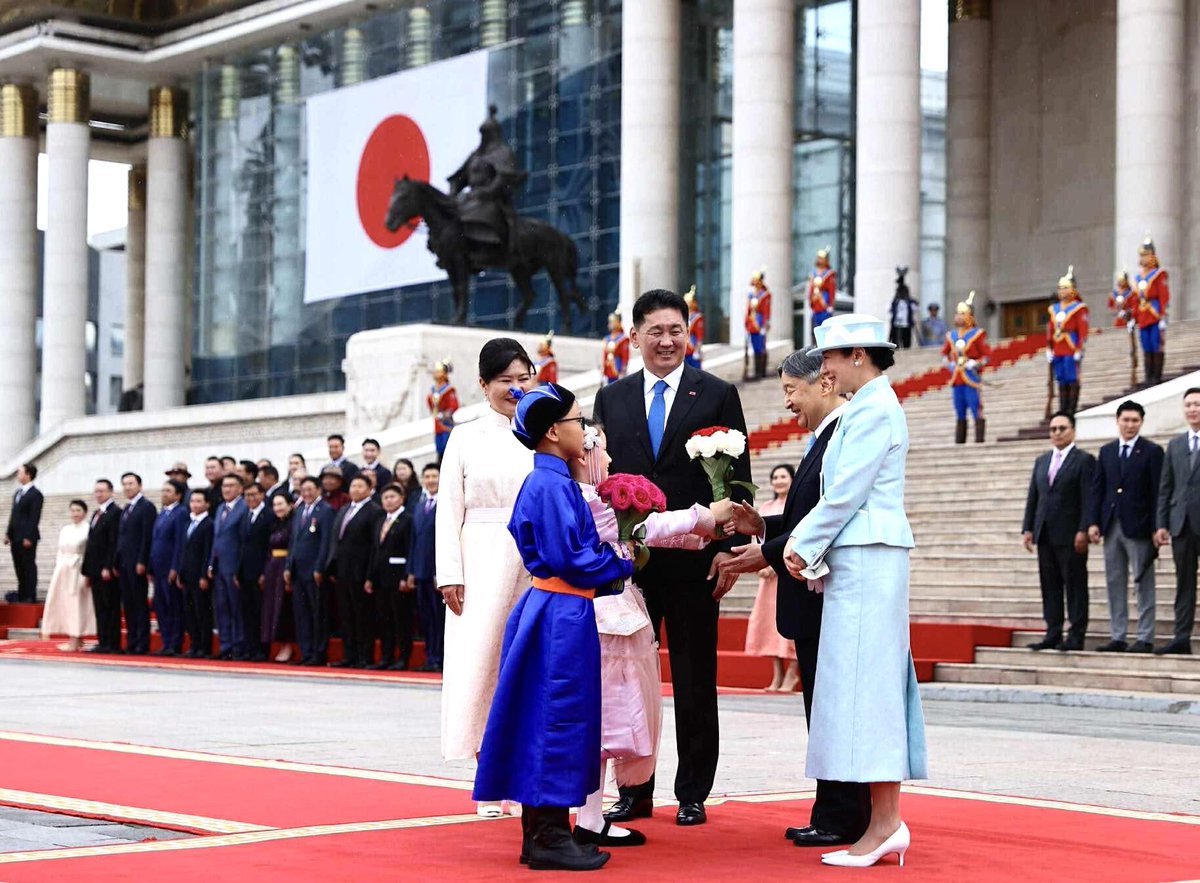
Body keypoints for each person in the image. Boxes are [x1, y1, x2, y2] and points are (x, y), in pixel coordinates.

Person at [592, 288, 751, 828]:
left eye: (675, 330)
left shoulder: (718, 393)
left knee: (694, 677)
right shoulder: (611, 399)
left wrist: (728, 552)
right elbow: (600, 481)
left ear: (690, 333)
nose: (666, 340)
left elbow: (738, 479)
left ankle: (693, 791)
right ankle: (635, 791)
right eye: (655, 331)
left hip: (694, 563)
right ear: (633, 336)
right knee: (627, 680)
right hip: (630, 566)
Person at [771, 314, 926, 867]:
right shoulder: (867, 407)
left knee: (871, 693)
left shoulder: (875, 409)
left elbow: (843, 495)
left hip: (868, 560)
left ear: (857, 355)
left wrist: (799, 546)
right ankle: (881, 822)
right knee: (861, 692)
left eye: (830, 358)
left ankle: (884, 824)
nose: (825, 369)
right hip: (857, 560)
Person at [473, 383, 635, 872]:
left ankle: (543, 834)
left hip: (555, 608)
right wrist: (623, 559)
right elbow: (573, 559)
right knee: (556, 717)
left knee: (546, 715)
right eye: (576, 421)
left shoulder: (549, 481)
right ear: (551, 431)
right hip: (560, 614)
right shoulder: (550, 485)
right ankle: (546, 836)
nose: (583, 431)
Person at [719, 349, 872, 849]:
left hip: (826, 592)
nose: (787, 402)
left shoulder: (841, 438)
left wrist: (763, 551)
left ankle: (842, 815)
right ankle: (835, 809)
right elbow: (807, 519)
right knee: (821, 708)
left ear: (823, 384)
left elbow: (832, 520)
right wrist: (763, 527)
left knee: (830, 709)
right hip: (810, 594)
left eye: (791, 390)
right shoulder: (821, 438)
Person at [572, 420, 730, 849]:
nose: (609, 458)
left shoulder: (588, 498)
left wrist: (699, 538)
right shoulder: (588, 500)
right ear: (585, 455)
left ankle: (590, 816)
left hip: (616, 615)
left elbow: (642, 535)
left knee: (608, 719)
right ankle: (587, 818)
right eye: (602, 451)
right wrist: (704, 517)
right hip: (605, 620)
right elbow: (648, 530)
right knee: (605, 720)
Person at [436, 337, 536, 817]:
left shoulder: (546, 428)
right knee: (481, 666)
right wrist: (449, 573)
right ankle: (487, 773)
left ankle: (521, 775)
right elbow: (448, 510)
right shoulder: (465, 434)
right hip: (479, 557)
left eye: (524, 379)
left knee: (526, 666)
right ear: (483, 385)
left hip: (536, 557)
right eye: (505, 382)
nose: (516, 390)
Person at [1087, 400, 1164, 653]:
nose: (1130, 425)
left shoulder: (1152, 451)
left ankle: (1145, 636)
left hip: (1139, 526)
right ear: (1117, 421)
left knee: (1143, 583)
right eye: (1125, 420)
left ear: (1141, 422)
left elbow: (1157, 492)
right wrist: (1093, 522)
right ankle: (1118, 635)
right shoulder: (1107, 451)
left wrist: (1156, 526)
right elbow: (1097, 489)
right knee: (1115, 581)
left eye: (1135, 421)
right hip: (1111, 525)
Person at [1022, 411, 1095, 652]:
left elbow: (1088, 497)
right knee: (1050, 585)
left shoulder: (1084, 460)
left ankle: (1076, 634)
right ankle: (1053, 632)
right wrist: (1028, 528)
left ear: (1072, 430)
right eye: (1053, 429)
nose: (1057, 433)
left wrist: (1084, 528)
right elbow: (1034, 496)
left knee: (1074, 585)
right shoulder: (1042, 460)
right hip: (1045, 533)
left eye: (1062, 428)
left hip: (1072, 534)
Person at [743, 464, 799, 691]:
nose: (779, 481)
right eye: (775, 477)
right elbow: (759, 541)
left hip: (788, 571)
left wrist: (774, 563)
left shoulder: (794, 505)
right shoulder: (766, 506)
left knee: (790, 624)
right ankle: (777, 675)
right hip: (766, 579)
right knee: (768, 624)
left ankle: (793, 674)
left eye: (783, 476)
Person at [1153, 387, 1200, 656]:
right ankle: (1181, 637)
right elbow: (1166, 487)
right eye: (1189, 405)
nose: (1193, 409)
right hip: (1180, 523)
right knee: (1184, 583)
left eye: (1197, 404)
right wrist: (1162, 524)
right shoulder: (1176, 445)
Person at [448, 104, 527, 264]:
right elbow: (459, 177)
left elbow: (504, 176)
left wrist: (488, 191)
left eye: (488, 133)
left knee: (482, 211)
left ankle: (486, 248)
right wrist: (452, 195)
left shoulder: (502, 152)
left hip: (493, 199)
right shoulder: (475, 156)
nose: (485, 137)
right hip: (472, 197)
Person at [327, 474, 383, 668]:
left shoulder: (374, 511)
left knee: (362, 617)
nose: (356, 489)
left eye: (360, 486)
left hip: (361, 572)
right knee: (346, 615)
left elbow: (374, 546)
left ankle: (364, 656)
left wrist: (370, 574)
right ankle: (349, 655)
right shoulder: (344, 509)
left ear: (369, 489)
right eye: (353, 486)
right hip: (343, 571)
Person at [285, 475, 336, 666]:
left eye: (309, 490)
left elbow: (325, 543)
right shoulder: (299, 511)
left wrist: (320, 567)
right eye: (303, 490)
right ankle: (306, 652)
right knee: (302, 614)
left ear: (318, 490)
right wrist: (289, 565)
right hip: (298, 570)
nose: (306, 493)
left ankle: (318, 653)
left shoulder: (326, 511)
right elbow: (293, 541)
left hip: (314, 570)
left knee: (317, 614)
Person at [366, 483, 414, 670]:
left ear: (401, 498)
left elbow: (411, 548)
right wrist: (370, 576)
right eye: (385, 497)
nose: (388, 501)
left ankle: (403, 658)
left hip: (398, 576)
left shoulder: (407, 519)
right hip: (381, 577)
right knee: (385, 619)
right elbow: (374, 550)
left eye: (392, 497)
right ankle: (386, 657)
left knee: (401, 620)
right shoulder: (380, 520)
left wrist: (406, 575)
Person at [39, 500, 93, 651]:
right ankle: (73, 637)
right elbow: (60, 551)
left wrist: (86, 572)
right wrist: (58, 568)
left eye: (78, 510)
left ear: (85, 512)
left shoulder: (88, 529)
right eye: (73, 510)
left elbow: (89, 552)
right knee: (66, 604)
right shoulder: (65, 529)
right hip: (63, 569)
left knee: (78, 604)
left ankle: (76, 639)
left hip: (79, 570)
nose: (75, 514)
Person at [942, 291, 993, 444]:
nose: (958, 317)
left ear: (970, 316)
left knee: (976, 409)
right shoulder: (951, 335)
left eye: (962, 313)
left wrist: (975, 363)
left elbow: (986, 356)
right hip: (957, 378)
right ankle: (960, 442)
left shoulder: (978, 334)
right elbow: (944, 354)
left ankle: (979, 440)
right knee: (959, 411)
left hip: (971, 378)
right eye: (957, 313)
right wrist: (949, 364)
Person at [208, 473, 249, 660]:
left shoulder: (244, 508)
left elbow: (243, 542)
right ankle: (226, 646)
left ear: (240, 488)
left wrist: (240, 568)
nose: (226, 489)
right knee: (222, 608)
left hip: (234, 567)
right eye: (224, 486)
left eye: (231, 486)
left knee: (237, 608)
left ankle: (239, 646)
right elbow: (216, 539)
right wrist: (211, 563)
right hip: (219, 566)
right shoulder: (220, 509)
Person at [115, 473, 156, 655]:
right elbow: (121, 538)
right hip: (123, 564)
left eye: (131, 484)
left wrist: (142, 561)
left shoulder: (146, 507)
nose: (128, 487)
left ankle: (142, 643)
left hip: (137, 563)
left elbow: (147, 537)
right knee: (129, 605)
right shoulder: (126, 508)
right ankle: (131, 641)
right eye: (125, 484)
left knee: (139, 604)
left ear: (139, 485)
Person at [149, 479, 189, 657]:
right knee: (161, 606)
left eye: (168, 491)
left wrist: (176, 567)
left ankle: (175, 643)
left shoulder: (180, 513)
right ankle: (166, 642)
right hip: (158, 568)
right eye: (163, 490)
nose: (164, 493)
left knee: (173, 606)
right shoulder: (162, 513)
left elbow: (180, 542)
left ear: (178, 495)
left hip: (170, 568)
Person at [82, 479, 121, 653]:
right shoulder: (97, 513)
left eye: (102, 491)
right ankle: (102, 640)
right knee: (99, 607)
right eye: (96, 491)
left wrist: (108, 565)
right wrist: (87, 570)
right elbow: (91, 544)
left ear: (111, 492)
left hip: (106, 570)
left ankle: (112, 643)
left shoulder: (115, 512)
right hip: (95, 569)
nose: (98, 494)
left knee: (110, 606)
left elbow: (113, 542)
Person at [410, 463, 442, 672]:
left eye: (434, 476)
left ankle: (439, 658)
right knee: (426, 619)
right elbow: (414, 540)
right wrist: (411, 571)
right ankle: (430, 657)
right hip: (420, 571)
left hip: (436, 573)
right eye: (427, 476)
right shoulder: (420, 505)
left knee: (439, 618)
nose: (430, 480)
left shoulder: (446, 504)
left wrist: (441, 571)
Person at [1047, 265, 1089, 416]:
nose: (1062, 291)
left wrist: (1079, 348)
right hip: (1058, 347)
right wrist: (1049, 348)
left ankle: (1071, 407)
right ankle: (1063, 407)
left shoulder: (1079, 308)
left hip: (1071, 345)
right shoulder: (1054, 309)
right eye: (1060, 288)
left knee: (1072, 378)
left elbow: (1082, 330)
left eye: (1066, 288)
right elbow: (1051, 329)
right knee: (1061, 379)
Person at [238, 482, 273, 662]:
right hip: (245, 571)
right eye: (247, 495)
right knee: (247, 612)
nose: (250, 499)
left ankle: (261, 649)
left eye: (253, 495)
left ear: (261, 495)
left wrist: (264, 572)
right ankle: (250, 647)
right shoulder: (245, 515)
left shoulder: (269, 515)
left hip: (261, 570)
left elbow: (269, 546)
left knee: (260, 612)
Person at [261, 492, 296, 662]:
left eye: (281, 504)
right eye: (275, 505)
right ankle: (278, 644)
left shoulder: (293, 523)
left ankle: (287, 646)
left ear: (290, 505)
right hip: (272, 566)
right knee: (272, 608)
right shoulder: (274, 523)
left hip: (285, 565)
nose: (278, 508)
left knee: (284, 608)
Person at [180, 489, 215, 658]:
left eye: (199, 501)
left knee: (202, 612)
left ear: (207, 504)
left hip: (199, 576)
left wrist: (203, 575)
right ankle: (194, 644)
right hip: (187, 575)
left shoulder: (208, 524)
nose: (194, 504)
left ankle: (204, 647)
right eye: (192, 501)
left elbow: (208, 551)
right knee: (190, 612)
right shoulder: (188, 523)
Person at [5, 463, 43, 603]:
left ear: (28, 474)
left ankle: (30, 594)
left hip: (27, 538)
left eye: (20, 472)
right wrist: (8, 533)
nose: (17, 475)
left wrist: (29, 536)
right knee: (19, 566)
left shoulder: (36, 494)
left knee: (28, 566)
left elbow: (34, 517)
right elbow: (14, 515)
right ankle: (22, 594)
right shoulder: (18, 493)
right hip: (15, 537)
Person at [1134, 236, 1170, 384]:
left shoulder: (1159, 274)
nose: (1143, 259)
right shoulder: (1138, 277)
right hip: (1143, 315)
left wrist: (1163, 317)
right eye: (1141, 256)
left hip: (1155, 312)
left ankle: (1156, 376)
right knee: (1146, 345)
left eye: (1145, 255)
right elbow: (1136, 299)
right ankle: (1148, 376)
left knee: (1156, 344)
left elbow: (1163, 295)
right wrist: (1133, 317)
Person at [428, 361, 459, 461]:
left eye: (438, 371)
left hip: (446, 423)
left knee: (447, 448)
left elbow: (454, 405)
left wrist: (446, 413)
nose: (435, 374)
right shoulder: (433, 389)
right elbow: (430, 403)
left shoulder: (449, 389)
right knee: (439, 448)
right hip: (437, 423)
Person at [745, 269, 772, 379]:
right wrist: (746, 323)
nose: (755, 283)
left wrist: (765, 324)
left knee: (761, 347)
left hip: (760, 323)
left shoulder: (765, 295)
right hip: (752, 324)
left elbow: (766, 311)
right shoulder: (751, 295)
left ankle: (761, 371)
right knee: (755, 347)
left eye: (757, 281)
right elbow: (748, 310)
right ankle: (756, 371)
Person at [887, 268, 917, 349]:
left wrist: (909, 300)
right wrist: (895, 300)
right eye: (900, 291)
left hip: (906, 325)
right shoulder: (895, 302)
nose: (901, 293)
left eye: (904, 291)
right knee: (895, 343)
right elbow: (889, 309)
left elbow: (915, 309)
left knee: (906, 344)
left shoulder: (910, 302)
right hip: (896, 325)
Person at [808, 246, 837, 332]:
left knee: (825, 331)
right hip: (815, 306)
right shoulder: (813, 273)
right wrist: (811, 300)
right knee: (815, 331)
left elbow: (832, 290)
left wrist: (831, 305)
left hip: (824, 305)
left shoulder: (829, 274)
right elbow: (811, 289)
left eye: (822, 258)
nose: (820, 260)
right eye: (819, 258)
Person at [601, 311, 630, 385]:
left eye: (613, 321)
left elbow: (625, 357)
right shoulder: (606, 339)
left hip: (618, 369)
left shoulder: (623, 339)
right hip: (608, 370)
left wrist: (623, 370)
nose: (611, 324)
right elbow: (604, 356)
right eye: (610, 322)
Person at [684, 285, 704, 370]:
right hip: (683, 351)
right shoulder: (683, 316)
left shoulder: (697, 317)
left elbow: (699, 337)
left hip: (692, 350)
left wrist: (697, 351)